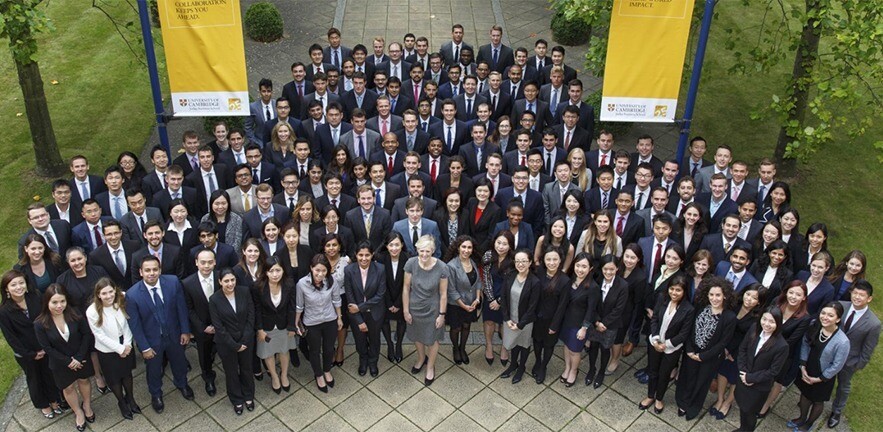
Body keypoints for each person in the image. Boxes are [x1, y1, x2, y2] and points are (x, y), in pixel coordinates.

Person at [125, 256, 193, 413]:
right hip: (152, 341)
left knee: (180, 362)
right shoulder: (132, 295)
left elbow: (181, 308)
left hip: (175, 335)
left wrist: (185, 330)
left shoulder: (173, 282)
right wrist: (144, 347)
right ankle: (156, 394)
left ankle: (182, 383)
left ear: (160, 270)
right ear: (141, 272)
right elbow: (135, 325)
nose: (151, 273)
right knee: (154, 370)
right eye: (147, 270)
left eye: (155, 269)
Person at [0, 270, 63, 419]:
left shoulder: (35, 297)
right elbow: (11, 338)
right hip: (26, 353)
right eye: (13, 285)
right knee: (35, 379)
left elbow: (47, 319)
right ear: (6, 289)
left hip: (45, 346)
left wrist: (47, 345)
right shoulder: (4, 311)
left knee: (49, 374)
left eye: (21, 283)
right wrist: (31, 354)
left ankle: (54, 400)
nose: (18, 287)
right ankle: (44, 405)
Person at [33, 284, 95, 431]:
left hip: (81, 357)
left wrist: (78, 358)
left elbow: (86, 334)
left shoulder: (76, 314)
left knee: (84, 380)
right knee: (67, 388)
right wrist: (68, 361)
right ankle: (78, 412)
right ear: (46, 302)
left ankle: (86, 405)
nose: (59, 306)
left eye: (62, 301)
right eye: (54, 302)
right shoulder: (39, 324)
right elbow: (47, 348)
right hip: (60, 363)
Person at [674, 276, 736, 420]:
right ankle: (682, 402)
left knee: (701, 382)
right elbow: (690, 329)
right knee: (686, 377)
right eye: (711, 294)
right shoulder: (700, 307)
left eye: (718, 295)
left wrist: (703, 356)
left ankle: (693, 407)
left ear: (725, 295)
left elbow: (722, 343)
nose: (714, 298)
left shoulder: (729, 317)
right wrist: (689, 349)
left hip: (709, 357)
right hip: (692, 351)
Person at [789, 302, 850, 432]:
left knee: (817, 401)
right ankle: (802, 417)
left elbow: (837, 364)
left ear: (838, 319)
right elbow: (806, 343)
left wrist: (820, 378)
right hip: (808, 368)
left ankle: (808, 424)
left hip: (823, 375)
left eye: (830, 315)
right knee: (805, 393)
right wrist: (803, 366)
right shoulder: (814, 325)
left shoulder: (842, 341)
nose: (825, 317)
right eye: (823, 313)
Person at [829, 280, 881, 427]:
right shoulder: (841, 306)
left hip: (849, 361)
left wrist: (858, 365)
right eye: (855, 293)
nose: (857, 297)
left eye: (862, 295)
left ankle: (836, 411)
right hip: (830, 353)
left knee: (843, 386)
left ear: (869, 298)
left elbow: (868, 348)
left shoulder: (873, 323)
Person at [710, 283, 767, 420]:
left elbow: (750, 341)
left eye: (754, 298)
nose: (749, 299)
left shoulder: (758, 318)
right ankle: (720, 399)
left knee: (735, 377)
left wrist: (734, 354)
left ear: (759, 302)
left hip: (741, 352)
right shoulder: (733, 305)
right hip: (724, 345)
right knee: (722, 372)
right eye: (748, 294)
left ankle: (728, 403)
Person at [86, 278, 139, 420]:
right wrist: (120, 349)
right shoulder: (92, 311)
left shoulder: (120, 300)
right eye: (104, 293)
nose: (109, 296)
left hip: (125, 342)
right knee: (114, 379)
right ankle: (121, 402)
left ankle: (131, 399)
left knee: (127, 374)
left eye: (111, 291)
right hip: (107, 350)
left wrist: (127, 344)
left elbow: (128, 323)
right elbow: (99, 335)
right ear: (98, 294)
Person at [640, 275, 694, 414]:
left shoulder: (688, 309)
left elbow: (683, 334)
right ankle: (650, 395)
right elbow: (655, 319)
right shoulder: (662, 299)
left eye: (678, 290)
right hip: (656, 343)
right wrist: (656, 339)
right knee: (653, 371)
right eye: (672, 289)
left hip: (672, 349)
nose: (674, 293)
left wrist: (667, 345)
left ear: (684, 292)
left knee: (664, 374)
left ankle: (659, 398)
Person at [758, 280, 812, 417]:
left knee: (777, 380)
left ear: (804, 297)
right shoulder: (777, 301)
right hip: (764, 345)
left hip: (785, 353)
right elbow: (764, 320)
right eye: (791, 292)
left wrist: (770, 347)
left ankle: (765, 406)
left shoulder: (805, 318)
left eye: (798, 294)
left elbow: (792, 340)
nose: (793, 297)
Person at [402, 235, 449, 386]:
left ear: (433, 251)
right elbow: (406, 288)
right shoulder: (410, 263)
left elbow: (443, 294)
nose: (424, 255)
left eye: (427, 251)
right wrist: (405, 310)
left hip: (433, 309)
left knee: (432, 339)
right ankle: (421, 358)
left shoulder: (442, 267)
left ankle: (430, 366)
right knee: (417, 335)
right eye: (421, 251)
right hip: (414, 308)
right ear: (417, 250)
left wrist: (441, 315)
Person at [209, 268, 256, 415]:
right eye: (226, 281)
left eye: (232, 280)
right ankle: (236, 399)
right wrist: (234, 345)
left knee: (247, 369)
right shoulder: (215, 299)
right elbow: (218, 327)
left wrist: (245, 339)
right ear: (220, 282)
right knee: (231, 372)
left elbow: (251, 316)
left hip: (246, 340)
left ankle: (248, 395)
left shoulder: (244, 291)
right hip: (227, 344)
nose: (230, 284)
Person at [733, 308, 789, 431]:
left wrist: (751, 378)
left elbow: (773, 371)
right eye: (764, 319)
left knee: (750, 413)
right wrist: (743, 372)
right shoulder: (754, 329)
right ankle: (743, 428)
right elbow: (742, 349)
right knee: (743, 408)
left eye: (772, 321)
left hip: (758, 386)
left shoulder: (782, 346)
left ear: (778, 324)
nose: (767, 324)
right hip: (743, 377)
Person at [296, 254, 343, 393]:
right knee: (314, 351)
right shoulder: (302, 284)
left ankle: (327, 370)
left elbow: (336, 300)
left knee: (329, 348)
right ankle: (318, 375)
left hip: (330, 320)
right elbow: (299, 306)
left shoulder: (332, 281)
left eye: (323, 271)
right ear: (311, 268)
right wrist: (296, 323)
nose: (320, 274)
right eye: (317, 270)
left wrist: (339, 318)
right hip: (312, 322)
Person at [343, 242, 387, 376]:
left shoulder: (380, 269)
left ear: (372, 254)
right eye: (360, 255)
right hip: (356, 314)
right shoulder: (349, 270)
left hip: (375, 313)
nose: (364, 258)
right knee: (360, 340)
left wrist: (360, 307)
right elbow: (349, 295)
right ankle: (363, 360)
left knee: (374, 340)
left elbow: (380, 295)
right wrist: (358, 318)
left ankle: (373, 362)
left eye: (367, 255)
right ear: (356, 255)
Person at [585, 254, 628, 388]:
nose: (608, 272)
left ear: (617, 269)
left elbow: (619, 309)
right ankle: (592, 369)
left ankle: (601, 372)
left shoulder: (622, 285)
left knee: (605, 348)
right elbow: (591, 303)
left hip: (610, 324)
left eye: (611, 269)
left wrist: (604, 323)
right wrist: (597, 322)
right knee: (593, 347)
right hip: (595, 321)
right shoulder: (596, 280)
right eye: (605, 269)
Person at [552, 253, 593, 387]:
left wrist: (584, 328)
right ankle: (567, 368)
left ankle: (574, 371)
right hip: (566, 321)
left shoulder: (593, 287)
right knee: (566, 346)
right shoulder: (569, 280)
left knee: (575, 351)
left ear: (590, 269)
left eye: (584, 267)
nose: (580, 269)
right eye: (578, 265)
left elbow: (591, 310)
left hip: (579, 325)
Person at [499, 249, 541, 383]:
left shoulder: (535, 282)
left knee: (523, 344)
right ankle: (513, 365)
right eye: (517, 261)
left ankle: (521, 367)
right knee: (513, 343)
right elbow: (504, 297)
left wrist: (520, 324)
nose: (520, 264)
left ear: (530, 262)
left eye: (524, 261)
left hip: (525, 321)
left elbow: (532, 307)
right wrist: (506, 318)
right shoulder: (510, 275)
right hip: (510, 319)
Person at [531, 248, 570, 384]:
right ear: (543, 260)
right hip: (537, 317)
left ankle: (543, 367)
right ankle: (537, 361)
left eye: (555, 259)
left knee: (548, 345)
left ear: (560, 261)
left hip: (552, 319)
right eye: (548, 259)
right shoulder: (538, 272)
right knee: (536, 341)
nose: (551, 262)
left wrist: (555, 325)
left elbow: (562, 306)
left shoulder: (565, 280)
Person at [444, 236, 482, 365]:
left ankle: (462, 348)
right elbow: (451, 290)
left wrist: (477, 299)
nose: (466, 250)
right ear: (458, 248)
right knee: (456, 328)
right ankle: (455, 348)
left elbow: (478, 282)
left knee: (467, 326)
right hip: (456, 305)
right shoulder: (451, 266)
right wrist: (463, 306)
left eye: (469, 247)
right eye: (464, 247)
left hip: (471, 303)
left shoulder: (473, 262)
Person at [481, 231, 515, 365]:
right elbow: (486, 278)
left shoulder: (514, 259)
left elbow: (513, 283)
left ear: (510, 246)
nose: (501, 247)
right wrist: (491, 299)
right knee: (489, 321)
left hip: (508, 296)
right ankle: (489, 345)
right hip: (491, 293)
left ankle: (504, 348)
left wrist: (500, 301)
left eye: (505, 244)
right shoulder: (488, 255)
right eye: (498, 243)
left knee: (504, 324)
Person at [612, 244, 645, 372]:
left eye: (633, 258)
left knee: (617, 339)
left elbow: (637, 302)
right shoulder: (618, 268)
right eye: (627, 256)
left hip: (625, 313)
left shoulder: (640, 277)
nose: (629, 260)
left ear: (638, 259)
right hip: (612, 308)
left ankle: (615, 360)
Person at [377, 232, 408, 362]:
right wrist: (390, 303)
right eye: (391, 245)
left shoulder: (408, 258)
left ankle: (399, 345)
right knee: (384, 321)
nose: (394, 248)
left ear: (402, 245)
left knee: (402, 321)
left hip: (402, 298)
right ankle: (390, 345)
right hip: (385, 298)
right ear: (386, 246)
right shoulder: (380, 258)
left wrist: (398, 303)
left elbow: (406, 285)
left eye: (397, 245)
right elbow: (381, 284)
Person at [749, 239, 793, 305]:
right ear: (769, 253)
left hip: (768, 306)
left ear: (785, 257)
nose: (776, 257)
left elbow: (782, 295)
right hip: (749, 301)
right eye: (774, 253)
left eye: (780, 255)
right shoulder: (757, 264)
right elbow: (748, 281)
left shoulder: (788, 274)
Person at [797, 251, 836, 315]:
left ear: (826, 268)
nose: (815, 270)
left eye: (820, 267)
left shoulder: (828, 289)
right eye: (814, 265)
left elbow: (821, 312)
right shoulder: (801, 275)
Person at [433, 188, 469, 253]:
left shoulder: (465, 214)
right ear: (445, 201)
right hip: (443, 253)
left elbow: (466, 235)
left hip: (461, 253)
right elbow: (438, 238)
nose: (454, 204)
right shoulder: (437, 215)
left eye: (457, 201)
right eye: (451, 201)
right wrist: (448, 253)